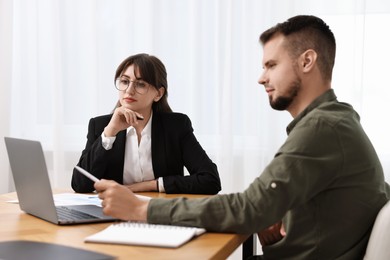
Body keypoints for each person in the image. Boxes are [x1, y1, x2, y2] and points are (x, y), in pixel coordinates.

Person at [93, 16, 390, 259]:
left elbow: (249, 207)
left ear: (307, 61)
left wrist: (141, 207)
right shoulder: (336, 121)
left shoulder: (323, 128)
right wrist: (283, 218)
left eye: (271, 65)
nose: (262, 77)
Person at [72, 53, 221, 195]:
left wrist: (152, 185)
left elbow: (210, 180)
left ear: (158, 94)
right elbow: (80, 185)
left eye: (140, 84)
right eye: (124, 81)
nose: (129, 91)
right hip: (115, 212)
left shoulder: (176, 126)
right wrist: (110, 133)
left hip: (159, 211)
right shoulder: (100, 126)